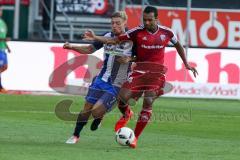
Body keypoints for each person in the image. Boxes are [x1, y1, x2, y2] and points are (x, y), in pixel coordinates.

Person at [83, 6, 198, 148]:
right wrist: (95, 38)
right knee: (122, 99)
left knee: (148, 100)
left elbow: (178, 45)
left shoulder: (167, 32)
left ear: (157, 19)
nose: (147, 23)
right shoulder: (136, 32)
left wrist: (186, 63)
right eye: (145, 20)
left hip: (156, 73)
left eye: (150, 20)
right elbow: (115, 40)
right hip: (139, 71)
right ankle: (126, 114)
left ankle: (135, 138)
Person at [64, 11, 134, 144]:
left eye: (118, 23)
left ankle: (99, 117)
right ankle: (75, 135)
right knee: (86, 108)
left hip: (117, 83)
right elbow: (89, 49)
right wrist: (71, 47)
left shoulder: (132, 39)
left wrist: (130, 58)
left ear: (125, 22)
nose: (114, 26)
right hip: (101, 79)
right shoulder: (106, 36)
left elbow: (141, 56)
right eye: (112, 23)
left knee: (96, 112)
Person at [0, 6, 11, 93]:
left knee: (5, 67)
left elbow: (3, 37)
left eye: (1, 11)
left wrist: (7, 47)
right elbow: (3, 38)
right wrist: (4, 40)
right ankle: (0, 87)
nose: (1, 12)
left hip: (3, 49)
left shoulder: (3, 23)